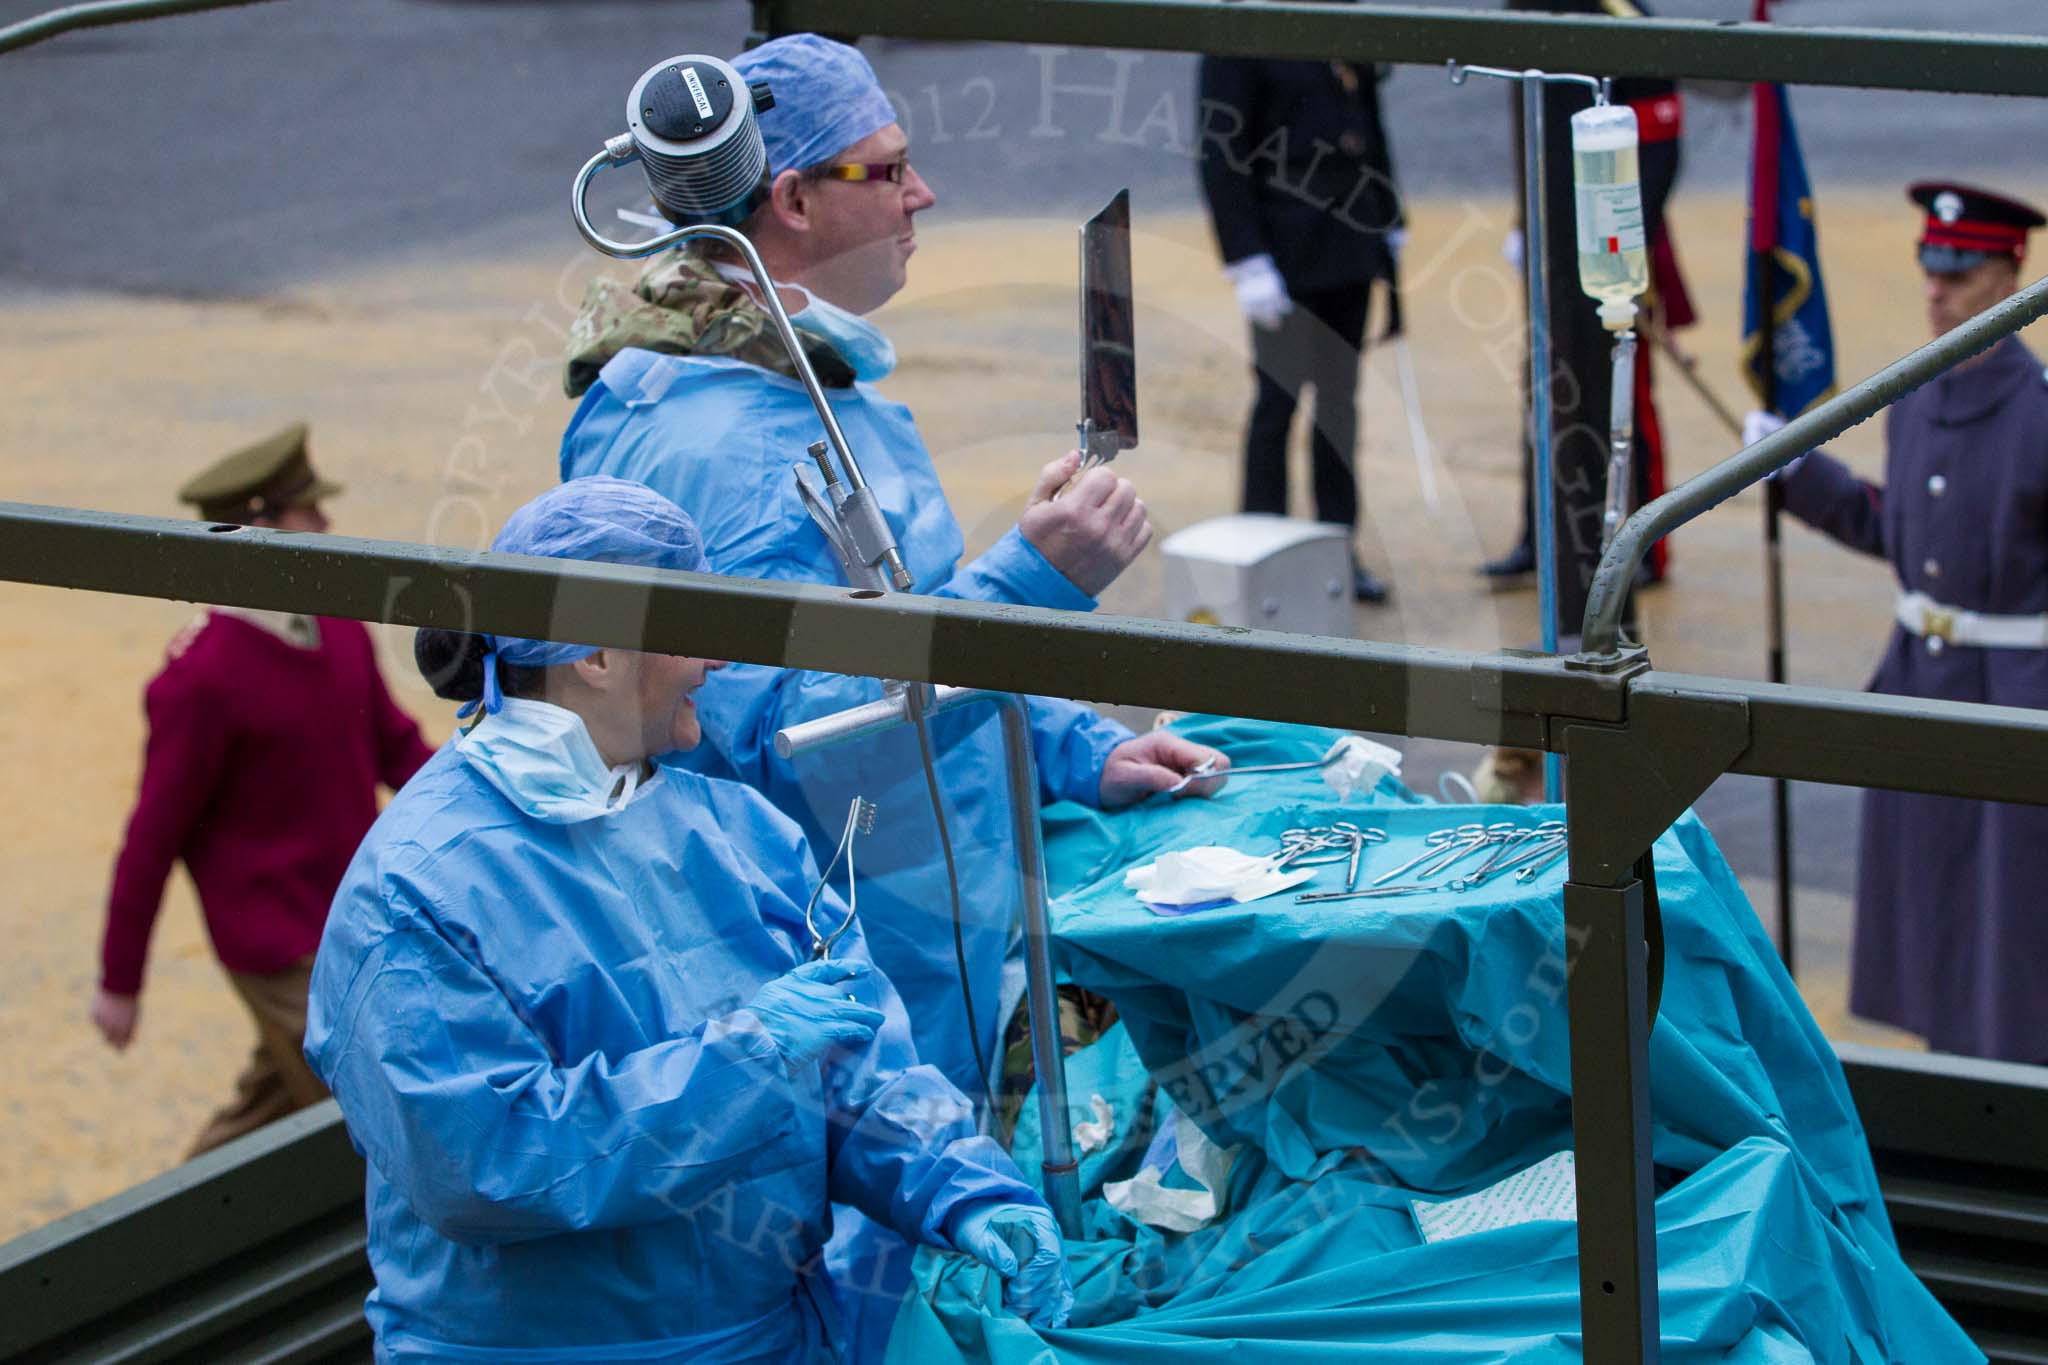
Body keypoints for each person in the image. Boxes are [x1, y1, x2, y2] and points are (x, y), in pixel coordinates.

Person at [560, 33, 1225, 1108]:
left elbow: (907, 628)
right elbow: (786, 745)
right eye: (886, 167)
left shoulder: (819, 390)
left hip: (928, 962)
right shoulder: (714, 449)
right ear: (793, 199)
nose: (923, 192)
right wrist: (1028, 585)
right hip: (841, 1008)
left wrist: (1069, 749)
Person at [304, 478, 1074, 1364]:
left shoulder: (736, 831)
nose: (716, 665)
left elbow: (855, 1066)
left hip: (770, 1336)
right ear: (594, 652)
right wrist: (746, 1059)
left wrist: (963, 1186)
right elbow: (485, 1163)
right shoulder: (417, 894)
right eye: (692, 631)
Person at [1749, 182, 2048, 1064]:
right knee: (1933, 921)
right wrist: (1796, 469)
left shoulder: (2039, 412)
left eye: (1960, 272)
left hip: (2016, 702)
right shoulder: (1915, 395)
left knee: (2009, 938)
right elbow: (1902, 533)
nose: (1936, 287)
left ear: (2009, 278)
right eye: (1930, 266)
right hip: (1920, 682)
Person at [92, 424, 434, 1157]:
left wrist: (486, 796)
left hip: (349, 914)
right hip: (275, 944)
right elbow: (151, 836)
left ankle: (176, 1221)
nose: (328, 524)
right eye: (309, 512)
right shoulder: (200, 679)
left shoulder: (338, 623)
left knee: (274, 1104)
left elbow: (393, 744)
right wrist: (120, 979)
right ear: (259, 527)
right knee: (370, 1109)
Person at [1479, 0, 1685, 620]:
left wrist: (1616, 243)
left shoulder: (1625, 20)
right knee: (1546, 387)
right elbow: (1538, 138)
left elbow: (1658, 152)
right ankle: (1540, 533)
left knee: (1621, 399)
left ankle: (1639, 546)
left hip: (1608, 251)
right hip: (1554, 243)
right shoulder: (1532, 15)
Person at [1196, 39, 1403, 604]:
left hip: (1349, 243)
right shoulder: (1238, 33)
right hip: (1282, 253)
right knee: (1277, 404)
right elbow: (1221, 153)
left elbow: (1368, 124)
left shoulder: (1341, 15)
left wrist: (1389, 217)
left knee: (1339, 406)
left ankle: (1337, 548)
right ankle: (1259, 550)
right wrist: (1245, 258)